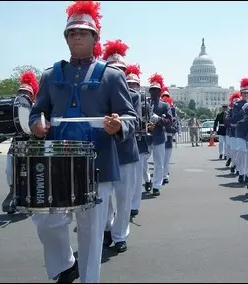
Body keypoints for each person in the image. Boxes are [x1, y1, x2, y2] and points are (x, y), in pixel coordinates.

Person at [28, 1, 137, 282]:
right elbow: (38, 110)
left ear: (95, 39)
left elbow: (130, 117)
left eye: (83, 33)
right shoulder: (51, 76)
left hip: (98, 163)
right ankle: (65, 264)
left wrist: (117, 125)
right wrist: (37, 124)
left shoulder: (112, 76)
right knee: (47, 221)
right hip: (57, 161)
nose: (77, 36)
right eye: (72, 33)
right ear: (66, 38)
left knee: (91, 232)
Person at [101, 40, 140, 253]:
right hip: (104, 150)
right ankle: (107, 228)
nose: (118, 73)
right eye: (113, 69)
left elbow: (134, 121)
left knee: (124, 197)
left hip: (125, 150)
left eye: (121, 70)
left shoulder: (133, 95)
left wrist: (118, 126)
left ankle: (120, 234)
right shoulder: (97, 90)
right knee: (103, 196)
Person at [2, 70, 40, 214]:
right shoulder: (14, 109)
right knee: (10, 172)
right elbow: (9, 128)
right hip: (15, 146)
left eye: (25, 92)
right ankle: (13, 193)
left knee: (30, 175)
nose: (22, 94)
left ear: (32, 95)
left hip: (32, 147)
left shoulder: (37, 108)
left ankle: (29, 199)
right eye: (20, 92)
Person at [127, 65, 148, 217]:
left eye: (134, 84)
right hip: (122, 139)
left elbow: (146, 117)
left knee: (136, 175)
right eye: (129, 84)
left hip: (138, 140)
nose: (132, 87)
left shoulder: (142, 100)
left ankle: (134, 205)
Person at [147, 74, 172, 196]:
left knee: (159, 163)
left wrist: (158, 120)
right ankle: (148, 179)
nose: (154, 92)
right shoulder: (144, 103)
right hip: (145, 137)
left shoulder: (164, 105)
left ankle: (157, 186)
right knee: (141, 162)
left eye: (157, 90)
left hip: (158, 137)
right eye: (152, 90)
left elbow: (169, 122)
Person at [232, 78, 248, 183]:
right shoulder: (237, 105)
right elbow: (234, 118)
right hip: (240, 131)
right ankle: (240, 171)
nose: (246, 95)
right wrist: (243, 109)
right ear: (241, 94)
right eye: (244, 93)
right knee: (242, 151)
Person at [161, 90, 177, 184]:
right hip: (159, 137)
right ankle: (161, 174)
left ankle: (165, 175)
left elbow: (174, 124)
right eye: (164, 96)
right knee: (160, 159)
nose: (165, 98)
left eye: (167, 96)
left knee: (166, 159)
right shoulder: (159, 107)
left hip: (168, 137)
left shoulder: (172, 110)